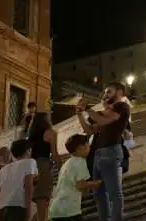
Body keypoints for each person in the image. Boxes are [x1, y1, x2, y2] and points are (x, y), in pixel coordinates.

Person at [76, 81, 130, 221]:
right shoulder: (100, 112)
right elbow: (89, 131)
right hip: (98, 155)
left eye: (109, 92)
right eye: (104, 92)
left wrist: (87, 108)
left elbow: (104, 121)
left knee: (114, 194)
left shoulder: (122, 106)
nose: (105, 95)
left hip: (111, 152)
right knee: (99, 195)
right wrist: (79, 114)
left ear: (119, 93)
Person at [49, 134, 101, 221]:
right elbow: (80, 185)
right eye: (87, 144)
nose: (89, 147)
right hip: (68, 210)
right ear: (80, 147)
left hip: (56, 209)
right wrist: (98, 183)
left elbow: (79, 187)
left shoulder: (67, 163)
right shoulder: (80, 162)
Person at [0, 139, 37, 221]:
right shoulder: (30, 162)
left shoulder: (3, 169)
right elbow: (28, 186)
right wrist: (28, 210)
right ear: (28, 150)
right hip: (18, 206)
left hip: (1, 208)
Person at [27, 112, 61, 221]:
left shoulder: (31, 137)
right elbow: (54, 154)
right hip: (43, 165)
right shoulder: (50, 133)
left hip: (31, 167)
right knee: (43, 199)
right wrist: (61, 168)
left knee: (42, 202)